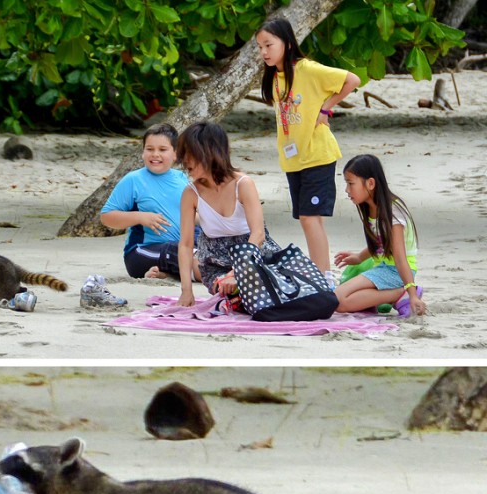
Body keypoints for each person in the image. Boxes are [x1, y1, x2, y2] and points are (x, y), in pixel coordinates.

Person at [256, 18, 360, 285]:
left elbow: (352, 79)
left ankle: (323, 277)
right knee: (309, 219)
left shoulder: (308, 69)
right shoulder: (277, 77)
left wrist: (326, 108)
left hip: (317, 155)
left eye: (269, 45)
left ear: (288, 43)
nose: (264, 52)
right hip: (293, 159)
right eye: (260, 47)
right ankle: (321, 273)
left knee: (308, 218)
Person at [176, 121, 280, 308]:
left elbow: (258, 235)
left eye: (189, 154)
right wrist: (186, 291)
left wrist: (237, 272)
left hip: (254, 257)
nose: (184, 161)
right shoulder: (190, 193)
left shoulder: (243, 184)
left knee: (267, 294)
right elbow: (185, 244)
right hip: (216, 265)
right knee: (236, 297)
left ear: (209, 152)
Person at [100, 122, 200, 281]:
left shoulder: (182, 179)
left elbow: (191, 216)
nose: (155, 154)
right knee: (180, 252)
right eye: (150, 149)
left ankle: (167, 274)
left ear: (175, 154)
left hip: (183, 245)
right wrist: (141, 217)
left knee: (207, 244)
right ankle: (212, 276)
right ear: (142, 153)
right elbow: (106, 217)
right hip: (142, 251)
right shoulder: (133, 180)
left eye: (162, 150)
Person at [333, 154, 426, 317]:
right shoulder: (372, 207)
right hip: (383, 268)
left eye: (350, 183)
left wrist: (411, 292)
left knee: (337, 300)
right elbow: (381, 242)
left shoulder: (393, 211)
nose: (347, 190)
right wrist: (358, 257)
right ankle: (393, 295)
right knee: (340, 298)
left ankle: (399, 293)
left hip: (396, 271)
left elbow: (399, 256)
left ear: (370, 183)